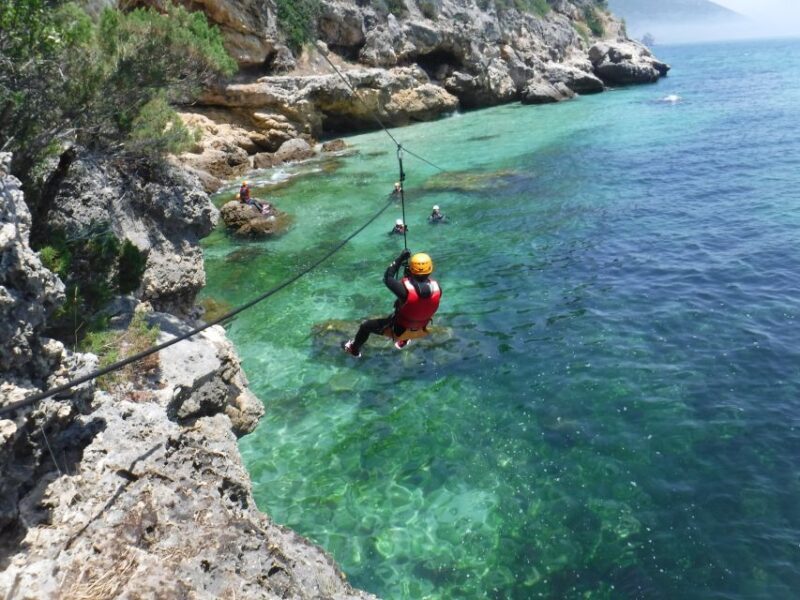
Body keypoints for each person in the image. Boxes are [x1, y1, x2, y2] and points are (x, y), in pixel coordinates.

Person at [342, 250, 441, 357]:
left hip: (399, 330)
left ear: (411, 269)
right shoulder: (438, 289)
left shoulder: (404, 292)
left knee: (365, 326)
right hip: (420, 329)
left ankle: (354, 349)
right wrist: (410, 276)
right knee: (413, 312)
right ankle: (404, 340)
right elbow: (419, 301)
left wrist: (400, 258)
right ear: (430, 270)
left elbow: (388, 277)